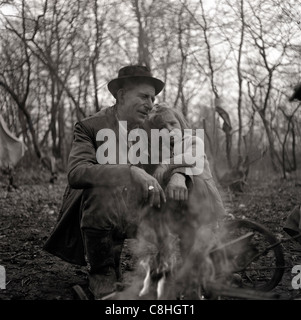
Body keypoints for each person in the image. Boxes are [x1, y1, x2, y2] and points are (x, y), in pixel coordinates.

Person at [43, 65, 189, 300]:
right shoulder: (90, 127)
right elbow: (78, 172)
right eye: (143, 96)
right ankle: (103, 273)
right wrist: (131, 172)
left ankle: (164, 269)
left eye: (153, 98)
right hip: (102, 216)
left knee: (180, 186)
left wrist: (179, 175)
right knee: (101, 191)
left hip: (141, 213)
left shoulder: (153, 126)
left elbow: (183, 150)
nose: (150, 104)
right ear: (121, 95)